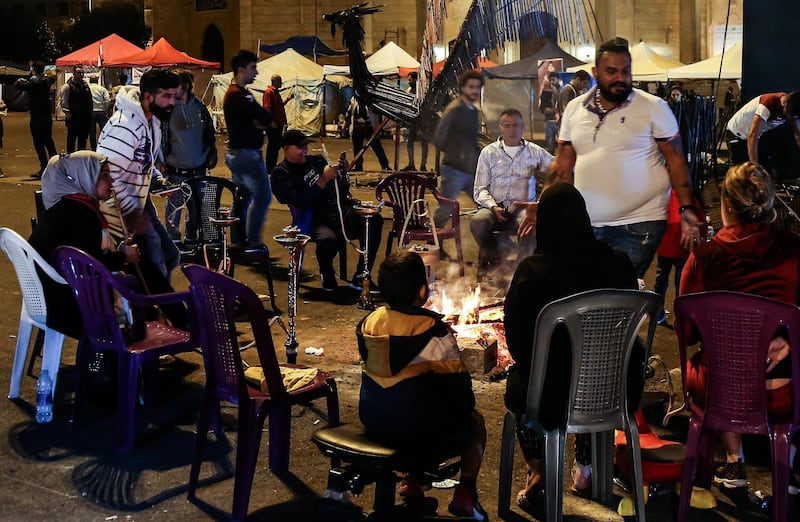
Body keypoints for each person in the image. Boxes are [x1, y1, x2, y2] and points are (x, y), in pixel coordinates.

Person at [504, 183, 642, 509]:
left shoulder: (532, 272)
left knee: (519, 386)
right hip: (614, 392)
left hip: (548, 398)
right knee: (588, 378)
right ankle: (587, 467)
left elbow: (517, 344)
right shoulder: (618, 263)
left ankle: (538, 470)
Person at [680, 161, 800, 490]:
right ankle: (785, 463)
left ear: (728, 204)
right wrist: (790, 339)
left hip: (722, 389)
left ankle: (735, 461)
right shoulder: (794, 248)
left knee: (715, 357)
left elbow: (687, 332)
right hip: (783, 388)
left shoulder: (704, 257)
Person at [549, 36, 701, 279]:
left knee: (617, 288)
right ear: (596, 72)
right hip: (587, 224)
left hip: (640, 223)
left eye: (625, 71)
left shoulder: (654, 107)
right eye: (611, 71)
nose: (620, 78)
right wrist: (548, 207)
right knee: (587, 289)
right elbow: (563, 165)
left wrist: (686, 208)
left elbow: (676, 160)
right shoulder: (575, 109)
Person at [356, 250, 488, 520]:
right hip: (419, 432)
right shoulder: (433, 332)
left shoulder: (369, 322)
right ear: (422, 290)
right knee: (474, 422)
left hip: (374, 420)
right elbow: (461, 395)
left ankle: (412, 483)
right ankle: (465, 492)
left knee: (410, 402)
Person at [270, 130, 382, 291]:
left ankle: (361, 275)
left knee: (373, 221)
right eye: (300, 147)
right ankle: (326, 271)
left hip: (339, 210)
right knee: (328, 238)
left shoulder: (317, 161)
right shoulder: (281, 174)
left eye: (306, 146)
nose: (305, 151)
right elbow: (299, 201)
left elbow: (340, 189)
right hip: (313, 217)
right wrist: (323, 179)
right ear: (287, 149)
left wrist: (342, 174)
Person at [97, 69, 181, 279]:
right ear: (147, 97)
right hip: (121, 211)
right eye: (167, 96)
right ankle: (155, 307)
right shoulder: (125, 126)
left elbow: (142, 159)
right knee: (155, 266)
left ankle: (155, 303)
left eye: (174, 96)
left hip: (140, 205)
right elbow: (106, 175)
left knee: (170, 255)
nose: (172, 102)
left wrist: (156, 179)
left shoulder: (151, 121)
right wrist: (131, 216)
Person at [471, 108, 552, 271]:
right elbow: (479, 189)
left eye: (516, 125)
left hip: (522, 209)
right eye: (507, 125)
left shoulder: (534, 152)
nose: (512, 130)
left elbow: (557, 169)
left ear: (522, 127)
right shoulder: (488, 153)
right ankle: (497, 263)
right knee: (478, 222)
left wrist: (542, 200)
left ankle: (522, 270)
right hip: (494, 208)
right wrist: (493, 207)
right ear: (500, 127)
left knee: (530, 226)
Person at [162, 68, 218, 249]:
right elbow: (160, 137)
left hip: (199, 168)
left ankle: (193, 238)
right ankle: (174, 240)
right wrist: (160, 161)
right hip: (176, 169)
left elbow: (209, 132)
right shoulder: (167, 110)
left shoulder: (199, 106)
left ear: (186, 84)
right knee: (174, 207)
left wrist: (213, 152)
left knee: (197, 207)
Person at [223, 49, 273, 247]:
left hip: (238, 152)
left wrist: (258, 121)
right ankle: (253, 242)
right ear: (241, 69)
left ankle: (238, 240)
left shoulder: (236, 94)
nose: (256, 73)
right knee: (262, 196)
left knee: (242, 197)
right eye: (253, 68)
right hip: (246, 155)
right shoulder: (239, 95)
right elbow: (265, 116)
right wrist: (259, 121)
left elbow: (261, 118)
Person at [432, 70, 484, 228]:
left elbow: (472, 139)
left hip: (470, 169)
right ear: (462, 87)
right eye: (471, 87)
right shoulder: (454, 109)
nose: (474, 91)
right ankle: (433, 242)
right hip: (454, 169)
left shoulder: (473, 111)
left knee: (484, 202)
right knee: (445, 208)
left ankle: (489, 244)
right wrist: (457, 153)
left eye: (477, 87)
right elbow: (439, 138)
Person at [652, 189, 705, 326]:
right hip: (682, 249)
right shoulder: (688, 197)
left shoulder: (663, 195)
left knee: (661, 283)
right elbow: (700, 220)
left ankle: (658, 315)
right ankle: (680, 317)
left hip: (666, 248)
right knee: (681, 285)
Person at [725, 91, 800, 165]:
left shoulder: (792, 109)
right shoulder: (768, 103)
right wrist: (755, 167)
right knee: (746, 173)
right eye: (787, 113)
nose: (788, 117)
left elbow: (798, 135)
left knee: (766, 173)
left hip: (755, 138)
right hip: (737, 134)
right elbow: (753, 135)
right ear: (784, 103)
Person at [14, 61, 56, 178]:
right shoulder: (47, 80)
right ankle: (55, 166)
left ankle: (44, 167)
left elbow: (17, 84)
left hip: (37, 116)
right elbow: (52, 77)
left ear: (34, 69)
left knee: (38, 143)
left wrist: (30, 75)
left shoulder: (32, 82)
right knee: (49, 142)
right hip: (47, 117)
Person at [345, 94, 390, 171]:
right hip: (357, 127)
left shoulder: (370, 99)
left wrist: (380, 127)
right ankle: (358, 166)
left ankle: (385, 165)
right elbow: (349, 112)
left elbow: (378, 113)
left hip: (369, 126)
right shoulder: (354, 100)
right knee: (357, 148)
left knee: (377, 147)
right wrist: (346, 123)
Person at [261, 74, 294, 173]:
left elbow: (278, 106)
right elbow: (267, 107)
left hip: (278, 124)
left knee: (276, 146)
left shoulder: (276, 92)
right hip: (273, 125)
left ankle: (272, 166)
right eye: (279, 81)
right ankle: (269, 168)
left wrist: (288, 99)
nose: (281, 83)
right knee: (273, 146)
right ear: (274, 81)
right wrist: (271, 121)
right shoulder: (269, 92)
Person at [59, 65, 93, 153]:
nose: (81, 74)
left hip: (84, 118)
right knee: (71, 140)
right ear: (74, 73)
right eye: (79, 72)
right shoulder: (67, 86)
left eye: (82, 73)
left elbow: (89, 100)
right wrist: (68, 114)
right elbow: (64, 102)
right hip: (73, 118)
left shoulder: (85, 85)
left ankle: (80, 159)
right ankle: (71, 159)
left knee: (83, 141)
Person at [401, 72, 429, 171]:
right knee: (409, 142)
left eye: (410, 80)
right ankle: (411, 164)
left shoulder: (422, 91)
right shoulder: (409, 90)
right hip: (411, 123)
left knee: (424, 143)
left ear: (415, 80)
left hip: (421, 123)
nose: (409, 82)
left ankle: (423, 165)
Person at [539, 71, 560, 154]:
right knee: (550, 144)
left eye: (554, 80)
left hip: (559, 122)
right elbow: (543, 108)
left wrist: (556, 92)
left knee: (561, 145)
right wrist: (552, 110)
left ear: (558, 80)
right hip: (549, 121)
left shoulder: (562, 91)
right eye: (550, 80)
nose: (552, 82)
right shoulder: (546, 92)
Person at [88, 76, 111, 150]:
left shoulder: (87, 89)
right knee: (104, 131)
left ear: (90, 80)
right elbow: (107, 100)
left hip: (91, 112)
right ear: (97, 80)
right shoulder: (102, 89)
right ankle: (104, 146)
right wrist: (105, 108)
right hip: (101, 112)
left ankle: (94, 149)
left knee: (92, 132)